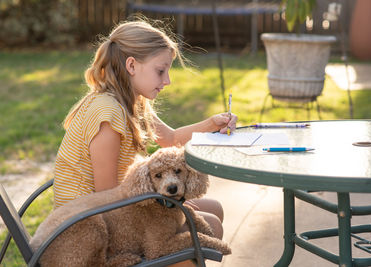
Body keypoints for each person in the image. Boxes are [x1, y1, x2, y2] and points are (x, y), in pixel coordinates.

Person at [52, 18, 237, 266]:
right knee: (209, 224)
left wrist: (213, 124)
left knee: (213, 207)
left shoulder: (131, 101)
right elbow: (107, 197)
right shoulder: (108, 115)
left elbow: (170, 139)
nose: (167, 80)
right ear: (131, 65)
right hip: (87, 232)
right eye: (160, 70)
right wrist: (167, 203)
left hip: (113, 211)